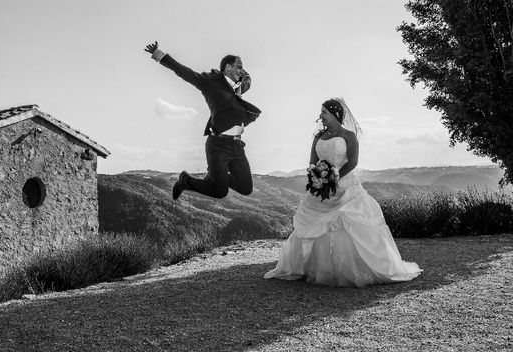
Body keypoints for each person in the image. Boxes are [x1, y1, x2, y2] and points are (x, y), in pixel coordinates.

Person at [264, 98, 422, 287]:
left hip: (346, 187)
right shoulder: (318, 137)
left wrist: (335, 177)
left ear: (335, 114)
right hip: (321, 187)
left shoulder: (349, 136)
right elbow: (313, 161)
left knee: (347, 220)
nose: (320, 116)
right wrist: (318, 177)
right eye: (321, 112)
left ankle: (349, 269)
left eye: (324, 113)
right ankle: (314, 267)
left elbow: (353, 161)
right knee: (315, 224)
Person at [144, 41, 261, 200]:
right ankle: (186, 181)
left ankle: (214, 175)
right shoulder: (209, 83)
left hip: (237, 146)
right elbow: (183, 71)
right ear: (228, 67)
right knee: (220, 192)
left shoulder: (240, 87)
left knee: (246, 188)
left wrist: (243, 73)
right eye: (238, 67)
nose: (241, 71)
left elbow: (248, 79)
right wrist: (159, 54)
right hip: (218, 146)